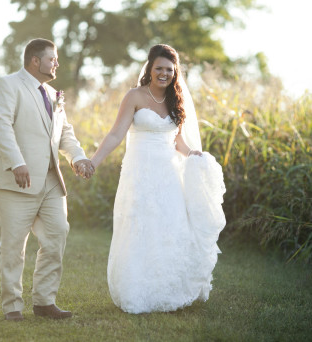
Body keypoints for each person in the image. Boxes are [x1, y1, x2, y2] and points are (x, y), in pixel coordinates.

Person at [90, 44, 226, 314]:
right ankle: (137, 290)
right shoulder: (135, 96)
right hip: (139, 173)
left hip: (168, 174)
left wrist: (194, 154)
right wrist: (94, 161)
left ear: (175, 73)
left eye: (169, 70)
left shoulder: (177, 100)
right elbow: (116, 134)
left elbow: (178, 142)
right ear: (149, 69)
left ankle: (170, 289)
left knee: (169, 228)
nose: (164, 74)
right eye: (159, 68)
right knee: (140, 227)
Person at [0, 38, 94, 321]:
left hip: (51, 180)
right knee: (13, 245)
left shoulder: (53, 94)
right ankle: (12, 307)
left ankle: (44, 301)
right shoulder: (7, 85)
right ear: (35, 60)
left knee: (57, 235)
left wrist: (77, 157)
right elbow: (1, 126)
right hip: (15, 179)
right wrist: (17, 161)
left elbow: (64, 132)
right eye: (52, 58)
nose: (57, 63)